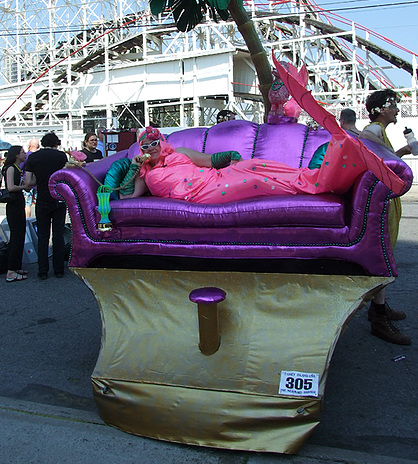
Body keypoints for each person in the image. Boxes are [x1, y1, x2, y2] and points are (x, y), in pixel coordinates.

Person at [121, 125, 368, 205]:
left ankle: (317, 176)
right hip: (205, 194)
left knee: (255, 165)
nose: (152, 149)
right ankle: (318, 185)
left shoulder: (180, 152)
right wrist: (134, 167)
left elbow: (209, 161)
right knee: (255, 180)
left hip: (215, 178)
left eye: (155, 143)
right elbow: (128, 197)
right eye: (145, 146)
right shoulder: (145, 173)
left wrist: (232, 156)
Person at [361, 89, 411, 345]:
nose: (396, 109)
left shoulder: (380, 130)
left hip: (389, 198)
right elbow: (366, 139)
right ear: (381, 108)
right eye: (392, 105)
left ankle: (379, 306)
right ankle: (378, 316)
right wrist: (392, 154)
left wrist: (400, 151)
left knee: (386, 251)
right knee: (384, 253)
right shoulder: (374, 129)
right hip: (384, 200)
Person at [24, 132, 68, 280]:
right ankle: (59, 269)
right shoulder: (61, 156)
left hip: (42, 198)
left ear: (42, 143)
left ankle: (42, 270)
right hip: (59, 198)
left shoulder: (33, 157)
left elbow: (28, 182)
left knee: (43, 236)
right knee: (58, 234)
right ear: (56, 143)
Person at [2, 145, 29, 282]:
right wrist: (24, 186)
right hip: (13, 205)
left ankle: (16, 266)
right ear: (17, 155)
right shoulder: (11, 168)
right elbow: (11, 187)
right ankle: (11, 271)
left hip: (18, 203)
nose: (25, 154)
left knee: (20, 236)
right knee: (16, 237)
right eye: (23, 152)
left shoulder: (17, 169)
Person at [23, 137, 40, 217]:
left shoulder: (26, 156)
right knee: (39, 203)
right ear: (38, 146)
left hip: (27, 183)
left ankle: (28, 221)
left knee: (27, 204)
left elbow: (20, 167)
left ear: (29, 145)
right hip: (38, 183)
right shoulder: (39, 156)